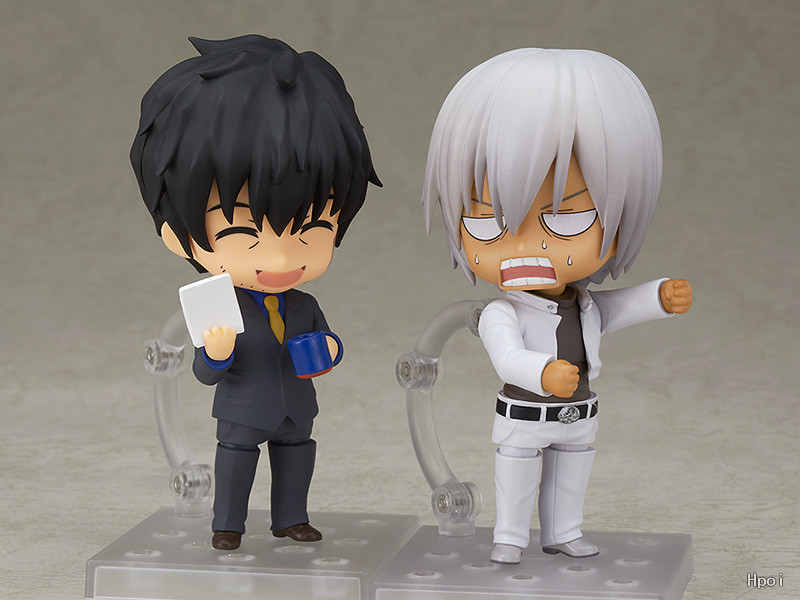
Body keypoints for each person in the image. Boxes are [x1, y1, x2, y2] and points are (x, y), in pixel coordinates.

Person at [421, 48, 692, 565]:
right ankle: (510, 537)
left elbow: (613, 310)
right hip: (525, 414)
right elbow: (507, 358)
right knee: (517, 475)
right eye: (486, 224)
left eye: (567, 220)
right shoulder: (502, 313)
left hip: (577, 412)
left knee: (572, 474)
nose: (526, 248)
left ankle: (564, 532)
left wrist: (657, 297)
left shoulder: (582, 304)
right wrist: (542, 372)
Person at [131, 35, 380, 550]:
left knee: (298, 456)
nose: (283, 259)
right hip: (242, 410)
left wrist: (328, 349)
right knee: (236, 461)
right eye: (243, 231)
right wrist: (217, 353)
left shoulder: (305, 304)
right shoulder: (214, 302)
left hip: (296, 407)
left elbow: (325, 342)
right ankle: (228, 524)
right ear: (178, 234)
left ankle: (291, 518)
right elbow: (204, 372)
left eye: (313, 227)